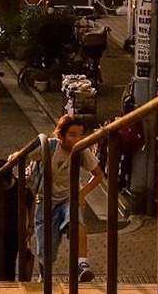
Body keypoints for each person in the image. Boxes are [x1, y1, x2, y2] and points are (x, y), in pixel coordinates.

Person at [30, 113, 106, 283]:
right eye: (72, 135)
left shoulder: (81, 151)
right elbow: (26, 155)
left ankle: (82, 264)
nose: (77, 139)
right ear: (61, 135)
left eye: (81, 135)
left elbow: (98, 175)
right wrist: (15, 157)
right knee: (46, 247)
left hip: (68, 198)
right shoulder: (50, 146)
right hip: (46, 200)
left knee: (76, 220)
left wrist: (81, 193)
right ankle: (44, 276)